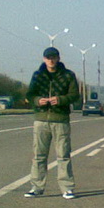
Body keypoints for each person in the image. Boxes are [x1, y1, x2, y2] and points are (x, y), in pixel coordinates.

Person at [24, 46, 81, 199]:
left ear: (58, 58)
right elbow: (30, 94)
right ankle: (36, 187)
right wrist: (37, 100)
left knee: (63, 155)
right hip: (41, 120)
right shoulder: (38, 75)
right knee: (39, 155)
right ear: (44, 59)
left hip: (60, 120)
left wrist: (60, 100)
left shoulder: (68, 75)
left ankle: (67, 188)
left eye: (54, 57)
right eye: (48, 57)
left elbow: (75, 95)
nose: (51, 60)